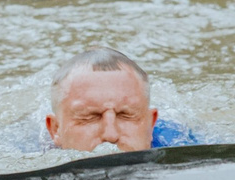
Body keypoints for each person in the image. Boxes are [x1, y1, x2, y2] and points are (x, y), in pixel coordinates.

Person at [44, 48, 203, 151]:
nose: (111, 135)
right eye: (89, 117)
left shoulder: (182, 144)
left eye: (126, 115)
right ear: (56, 129)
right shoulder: (33, 159)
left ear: (151, 124)